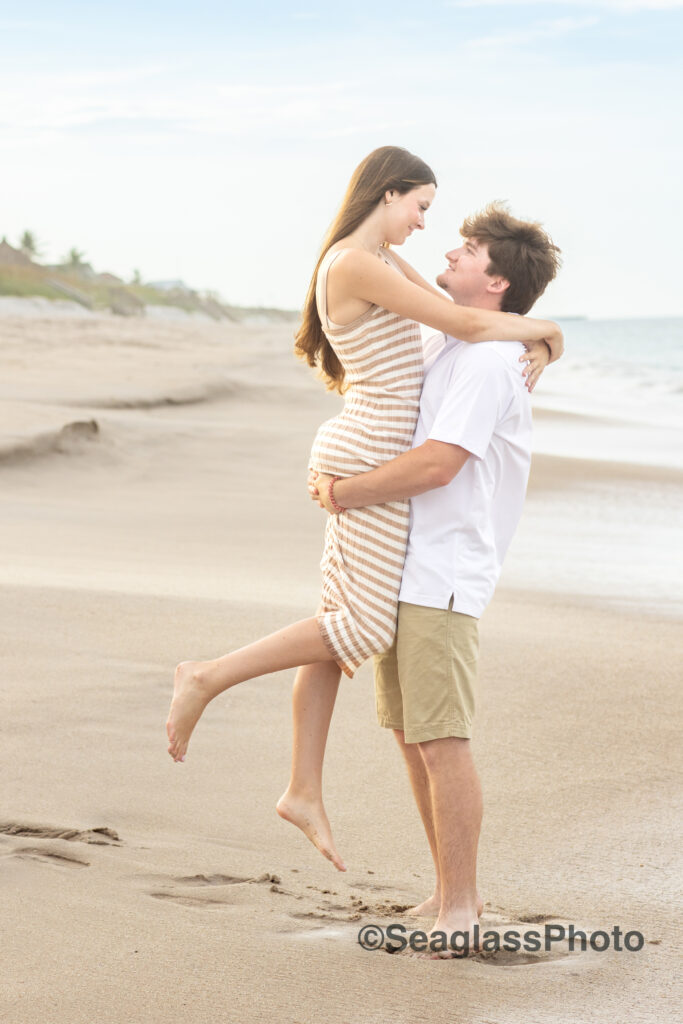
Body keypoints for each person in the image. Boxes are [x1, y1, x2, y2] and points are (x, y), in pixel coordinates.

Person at [165, 148, 562, 854]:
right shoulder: (354, 263)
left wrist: (542, 340)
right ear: (387, 194)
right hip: (367, 455)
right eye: (421, 206)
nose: (424, 225)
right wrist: (547, 332)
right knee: (361, 627)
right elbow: (466, 324)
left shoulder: (370, 258)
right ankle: (209, 677)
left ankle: (303, 788)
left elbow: (455, 315)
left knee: (343, 621)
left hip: (371, 453)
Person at [306, 201, 561, 948]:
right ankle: (444, 892)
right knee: (412, 736)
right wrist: (551, 335)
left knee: (442, 741)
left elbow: (438, 463)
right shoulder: (452, 341)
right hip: (407, 566)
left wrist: (342, 493)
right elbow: (391, 271)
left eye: (471, 249)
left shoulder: (484, 361)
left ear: (497, 282)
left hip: (444, 575)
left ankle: (462, 907)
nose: (452, 251)